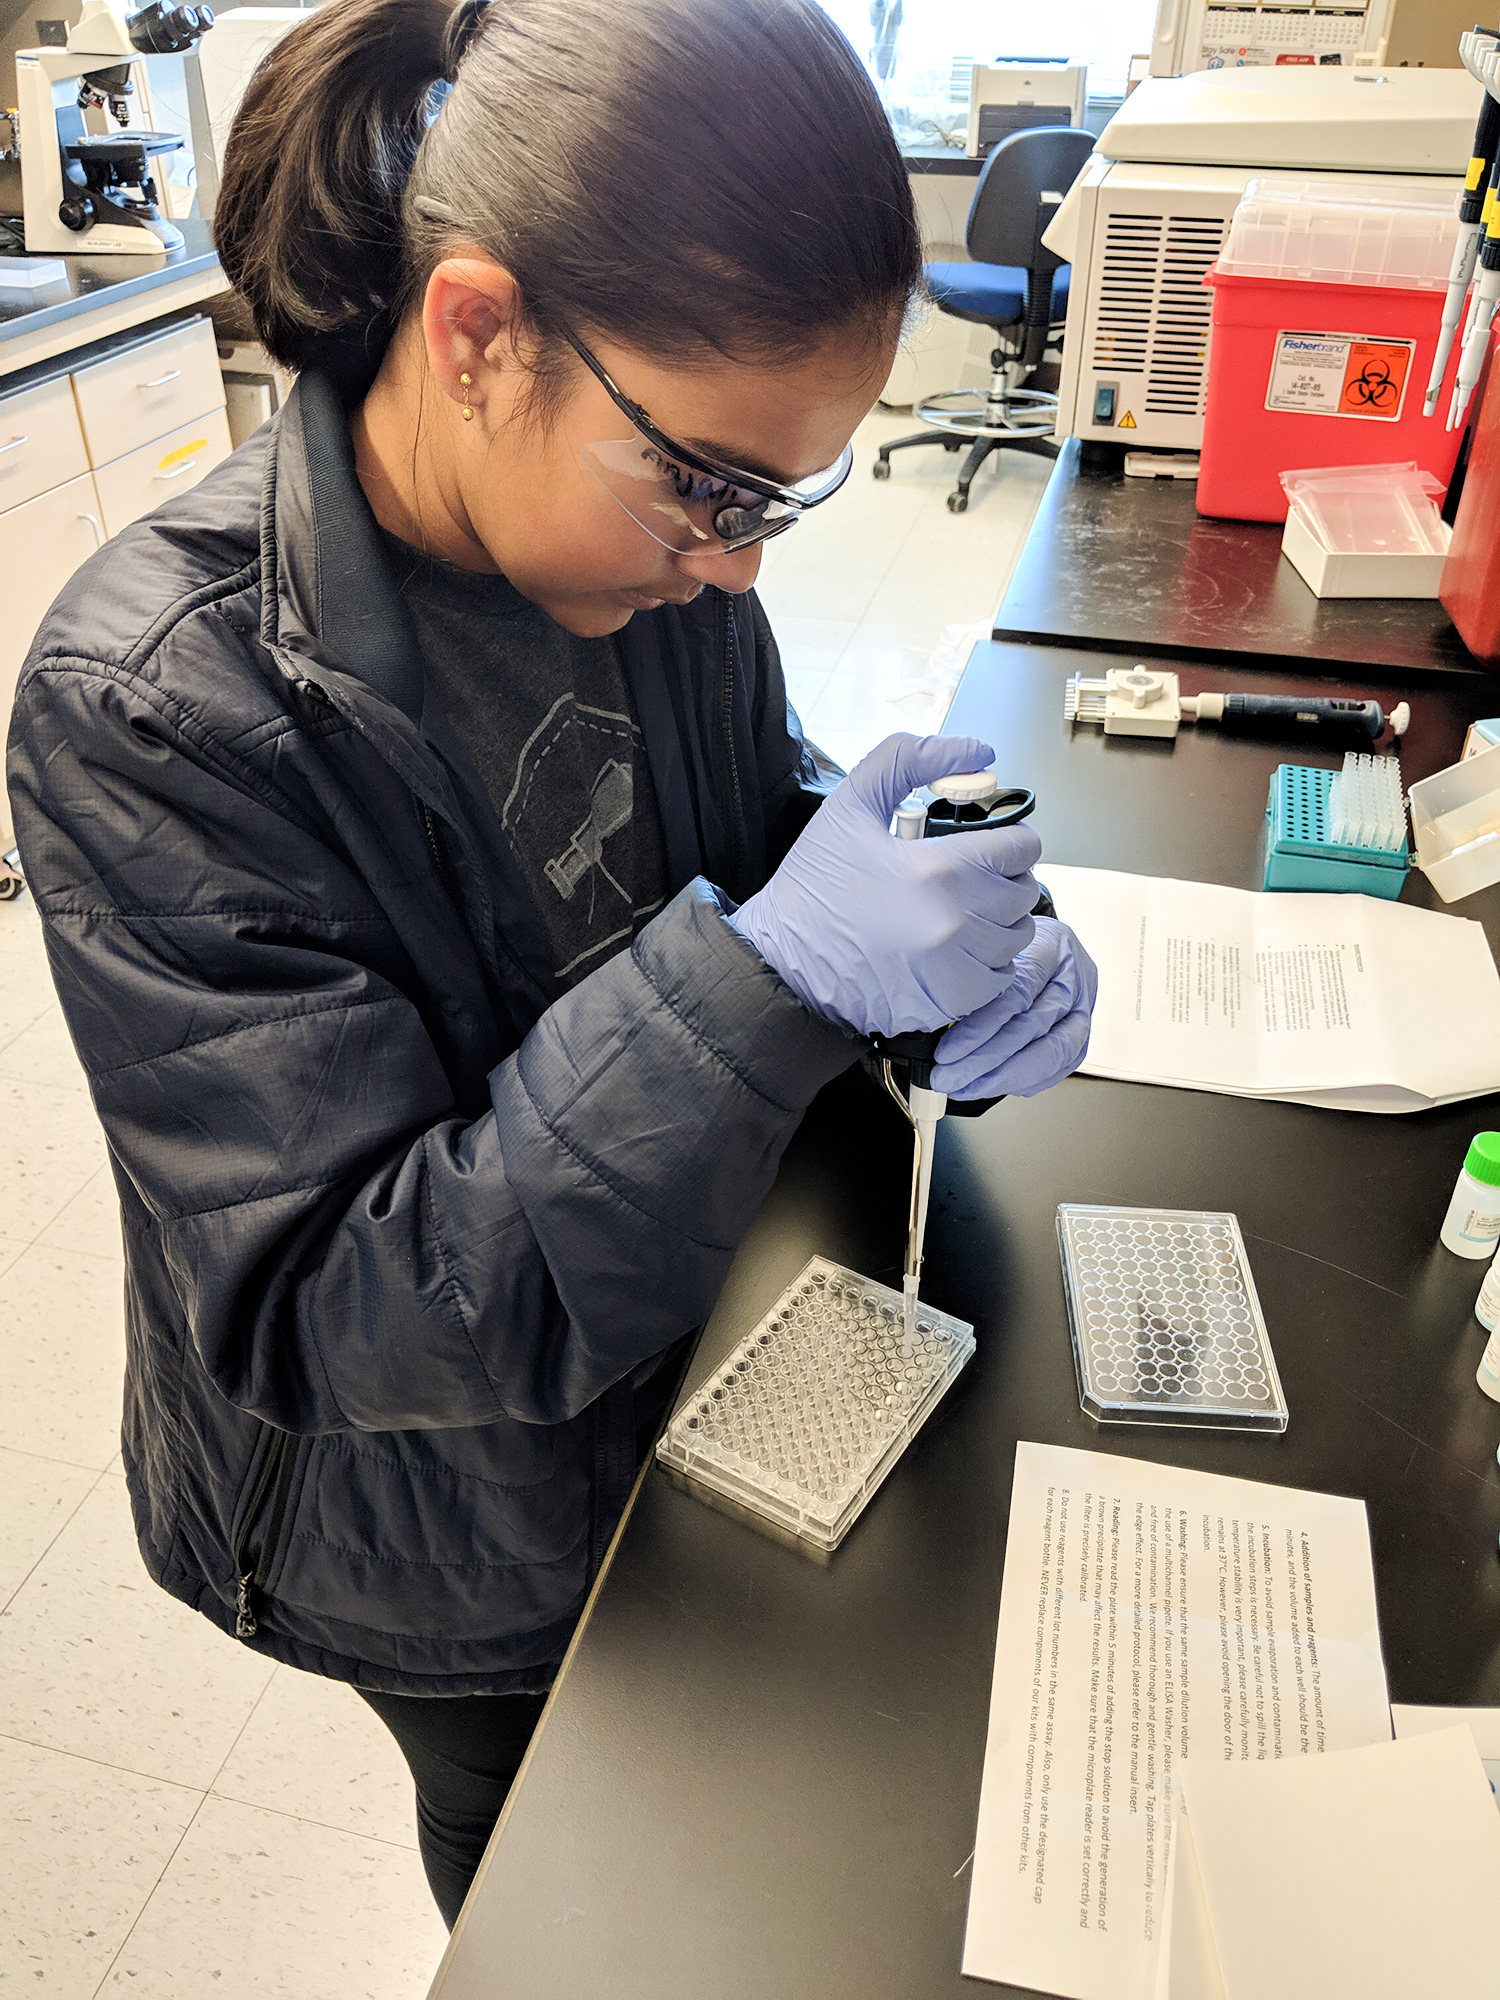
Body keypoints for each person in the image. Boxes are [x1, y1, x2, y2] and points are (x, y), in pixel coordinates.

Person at [5, 0, 1095, 1932]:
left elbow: (742, 833)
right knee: (554, 1869)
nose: (743, 569)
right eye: (713, 489)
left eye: (787, 496)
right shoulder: (161, 704)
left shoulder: (651, 565)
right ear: (479, 333)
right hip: (437, 1516)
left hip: (678, 1349)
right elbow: (344, 1305)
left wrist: (919, 932)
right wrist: (787, 976)